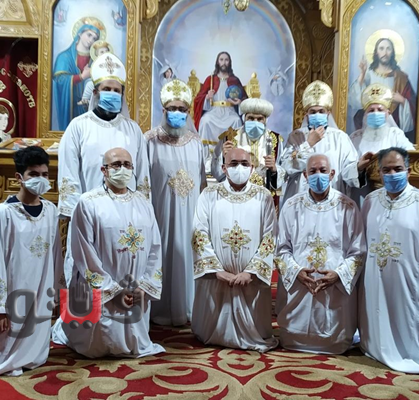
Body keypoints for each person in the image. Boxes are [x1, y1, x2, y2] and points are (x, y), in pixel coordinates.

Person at [52, 148, 165, 359]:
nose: (122, 169)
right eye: (116, 165)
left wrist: (144, 287)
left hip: (136, 288)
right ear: (104, 170)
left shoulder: (143, 202)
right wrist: (112, 290)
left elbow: (155, 248)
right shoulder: (88, 202)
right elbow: (83, 252)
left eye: (127, 165)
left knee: (133, 338)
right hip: (103, 292)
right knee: (98, 344)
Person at [0, 147, 63, 376]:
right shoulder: (4, 213)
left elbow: (56, 254)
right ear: (19, 177)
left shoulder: (50, 211)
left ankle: (30, 352)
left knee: (35, 350)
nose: (40, 179)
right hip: (12, 290)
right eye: (33, 174)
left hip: (39, 289)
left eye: (44, 174)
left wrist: (56, 294)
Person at [359, 147, 419, 378]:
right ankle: (378, 347)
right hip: (376, 280)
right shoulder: (370, 201)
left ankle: (415, 352)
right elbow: (361, 244)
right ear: (379, 173)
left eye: (398, 169)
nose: (392, 174)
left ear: (408, 171)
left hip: (411, 283)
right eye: (386, 170)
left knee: (412, 329)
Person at [58, 52, 151, 285]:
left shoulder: (133, 130)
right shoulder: (78, 127)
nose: (112, 93)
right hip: (89, 220)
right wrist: (77, 220)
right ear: (95, 92)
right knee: (88, 285)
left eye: (117, 90)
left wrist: (143, 214)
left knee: (125, 278)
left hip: (127, 221)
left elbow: (143, 178)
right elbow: (69, 176)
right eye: (107, 89)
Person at [277, 154, 366, 354]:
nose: (318, 175)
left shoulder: (348, 207)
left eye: (323, 171)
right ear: (305, 175)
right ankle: (296, 335)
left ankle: (336, 338)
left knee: (334, 326)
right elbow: (281, 248)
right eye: (313, 171)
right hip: (300, 284)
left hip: (334, 286)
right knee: (295, 327)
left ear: (332, 174)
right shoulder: (291, 206)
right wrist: (296, 272)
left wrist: (339, 275)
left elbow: (358, 251)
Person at [192, 148, 279, 353]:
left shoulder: (263, 196)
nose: (239, 168)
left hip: (251, 279)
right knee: (210, 326)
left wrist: (251, 272)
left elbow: (271, 236)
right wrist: (216, 270)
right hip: (218, 277)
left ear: (252, 168)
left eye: (244, 164)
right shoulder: (209, 194)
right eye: (233, 164)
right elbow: (198, 232)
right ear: (224, 168)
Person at [146, 79, 206, 326]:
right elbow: (143, 182)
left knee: (187, 257)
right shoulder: (149, 141)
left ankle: (188, 308)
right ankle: (159, 309)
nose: (177, 113)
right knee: (161, 255)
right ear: (163, 110)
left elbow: (202, 183)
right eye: (172, 108)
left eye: (182, 109)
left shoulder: (196, 142)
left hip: (190, 215)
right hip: (160, 214)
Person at [280, 81, 360, 206]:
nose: (317, 114)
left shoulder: (340, 137)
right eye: (313, 112)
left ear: (328, 113)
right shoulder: (296, 136)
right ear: (306, 114)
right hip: (301, 200)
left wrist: (359, 168)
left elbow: (347, 170)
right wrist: (308, 144)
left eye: (321, 111)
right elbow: (286, 167)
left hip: (332, 199)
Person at [350, 84, 415, 206]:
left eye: (380, 110)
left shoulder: (395, 134)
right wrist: (358, 167)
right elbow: (346, 168)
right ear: (365, 114)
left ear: (388, 113)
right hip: (363, 192)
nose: (376, 113)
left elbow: (411, 156)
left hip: (392, 191)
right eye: (371, 110)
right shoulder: (355, 138)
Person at [212, 98, 285, 192]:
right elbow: (216, 172)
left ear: (265, 120)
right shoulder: (229, 137)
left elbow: (284, 170)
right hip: (237, 193)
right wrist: (223, 157)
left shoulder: (276, 139)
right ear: (244, 118)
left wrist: (274, 169)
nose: (255, 122)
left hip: (265, 194)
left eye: (260, 119)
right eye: (250, 118)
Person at [350, 38, 417, 139]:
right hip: (370, 126)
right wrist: (362, 73)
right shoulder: (368, 75)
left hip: (393, 125)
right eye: (381, 48)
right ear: (376, 52)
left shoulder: (401, 77)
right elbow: (355, 101)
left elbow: (414, 104)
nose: (385, 53)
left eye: (388, 49)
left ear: (392, 52)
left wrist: (403, 101)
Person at [194, 52, 248, 174]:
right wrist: (207, 97)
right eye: (221, 59)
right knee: (205, 121)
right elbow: (198, 99)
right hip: (213, 111)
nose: (224, 62)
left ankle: (233, 157)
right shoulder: (210, 79)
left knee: (236, 121)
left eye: (226, 60)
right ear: (217, 62)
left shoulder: (235, 80)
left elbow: (245, 100)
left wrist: (239, 102)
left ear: (229, 62)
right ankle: (207, 159)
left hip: (229, 111)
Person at [53, 20, 102, 131]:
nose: (91, 40)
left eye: (94, 38)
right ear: (79, 33)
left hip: (89, 107)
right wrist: (81, 77)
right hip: (71, 106)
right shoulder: (64, 57)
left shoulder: (95, 60)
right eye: (89, 35)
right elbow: (59, 80)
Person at [78, 41, 114, 107]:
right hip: (97, 81)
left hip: (108, 82)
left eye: (106, 51)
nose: (104, 53)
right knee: (89, 84)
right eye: (102, 52)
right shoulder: (95, 63)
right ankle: (85, 99)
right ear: (97, 54)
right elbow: (93, 73)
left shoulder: (110, 63)